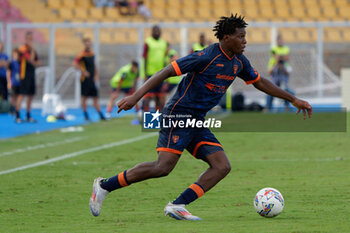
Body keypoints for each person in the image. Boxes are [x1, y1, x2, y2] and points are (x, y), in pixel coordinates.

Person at [89, 14, 312, 220]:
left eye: (245, 36)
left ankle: (177, 205)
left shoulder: (239, 61)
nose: (245, 41)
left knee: (221, 166)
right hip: (178, 114)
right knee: (162, 167)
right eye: (241, 36)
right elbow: (165, 71)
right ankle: (104, 186)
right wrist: (135, 96)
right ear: (226, 37)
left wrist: (293, 99)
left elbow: (261, 82)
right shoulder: (205, 56)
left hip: (197, 120)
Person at [73, 37, 105, 121]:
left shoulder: (92, 54)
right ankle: (85, 115)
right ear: (84, 44)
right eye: (86, 43)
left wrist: (96, 74)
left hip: (92, 79)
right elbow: (75, 64)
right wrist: (84, 71)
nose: (88, 44)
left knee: (95, 97)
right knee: (84, 97)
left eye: (89, 42)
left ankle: (100, 114)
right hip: (85, 80)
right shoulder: (81, 55)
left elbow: (94, 65)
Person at [142, 25, 168, 112]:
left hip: (160, 74)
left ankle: (157, 119)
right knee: (148, 97)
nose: (157, 32)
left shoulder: (164, 43)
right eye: (155, 31)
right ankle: (146, 118)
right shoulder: (148, 42)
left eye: (158, 30)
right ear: (152, 32)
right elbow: (144, 59)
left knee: (158, 97)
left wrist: (166, 74)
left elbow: (164, 59)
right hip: (150, 74)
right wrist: (144, 74)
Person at [15, 32, 40, 123]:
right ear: (26, 39)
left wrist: (34, 61)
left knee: (31, 95)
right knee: (21, 94)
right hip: (24, 75)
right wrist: (32, 50)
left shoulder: (32, 50)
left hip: (31, 75)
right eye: (29, 39)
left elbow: (37, 62)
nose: (30, 40)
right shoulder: (22, 49)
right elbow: (30, 59)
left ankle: (28, 115)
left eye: (31, 38)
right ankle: (17, 115)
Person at [265, 34, 292, 112]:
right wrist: (277, 64)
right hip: (275, 79)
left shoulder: (286, 61)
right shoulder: (272, 61)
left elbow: (288, 72)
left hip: (283, 79)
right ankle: (268, 107)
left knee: (286, 90)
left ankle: (287, 107)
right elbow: (269, 73)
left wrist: (281, 65)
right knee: (270, 90)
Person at [7, 48, 20, 115]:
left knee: (18, 97)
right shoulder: (11, 62)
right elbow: (8, 72)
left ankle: (16, 109)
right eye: (15, 54)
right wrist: (9, 82)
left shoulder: (20, 62)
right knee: (13, 96)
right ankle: (11, 110)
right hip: (13, 82)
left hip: (19, 82)